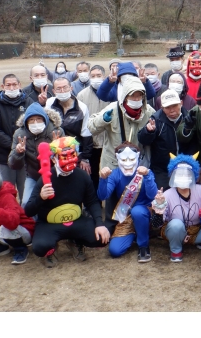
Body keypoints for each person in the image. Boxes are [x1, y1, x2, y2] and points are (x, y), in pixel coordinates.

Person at [24, 137, 110, 267]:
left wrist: (99, 224)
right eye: (64, 156)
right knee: (41, 247)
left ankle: (75, 241)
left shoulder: (82, 176)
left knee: (102, 238)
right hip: (49, 224)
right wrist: (41, 197)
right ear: (54, 159)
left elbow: (92, 202)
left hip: (76, 220)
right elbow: (29, 211)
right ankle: (51, 248)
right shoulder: (45, 180)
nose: (69, 159)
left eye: (72, 155)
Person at [97, 142, 158, 262]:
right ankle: (137, 233)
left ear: (138, 157)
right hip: (125, 217)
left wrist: (147, 176)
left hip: (144, 213)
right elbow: (103, 196)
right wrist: (103, 179)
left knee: (137, 211)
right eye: (124, 159)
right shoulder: (115, 174)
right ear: (117, 158)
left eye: (132, 159)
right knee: (115, 250)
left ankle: (143, 246)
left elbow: (153, 195)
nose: (128, 163)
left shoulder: (145, 172)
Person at [151, 153, 201, 262]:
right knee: (176, 225)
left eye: (186, 175)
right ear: (173, 175)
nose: (183, 178)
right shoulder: (167, 195)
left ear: (193, 175)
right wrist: (158, 210)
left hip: (196, 231)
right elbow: (156, 225)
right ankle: (176, 249)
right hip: (175, 231)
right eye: (179, 174)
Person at [89, 75, 155, 170]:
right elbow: (91, 128)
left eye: (139, 95)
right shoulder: (113, 109)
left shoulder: (149, 112)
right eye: (133, 95)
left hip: (137, 165)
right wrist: (103, 119)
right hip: (113, 165)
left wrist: (151, 131)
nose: (136, 99)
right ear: (125, 96)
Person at [8, 102, 64, 206]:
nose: (35, 123)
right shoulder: (19, 134)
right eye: (31, 120)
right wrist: (18, 152)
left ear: (45, 119)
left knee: (56, 201)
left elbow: (65, 158)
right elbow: (12, 164)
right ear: (26, 122)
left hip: (55, 175)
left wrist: (57, 148)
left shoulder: (56, 131)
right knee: (26, 203)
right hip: (32, 175)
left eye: (39, 119)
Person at [0, 74, 33, 196]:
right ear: (2, 86)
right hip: (3, 156)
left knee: (26, 193)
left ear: (20, 85)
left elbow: (32, 125)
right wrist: (13, 145)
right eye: (8, 85)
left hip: (25, 156)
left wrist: (22, 146)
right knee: (6, 193)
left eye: (14, 84)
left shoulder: (28, 102)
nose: (12, 88)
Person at [138, 90, 192, 189]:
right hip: (162, 169)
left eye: (174, 106)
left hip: (186, 167)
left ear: (181, 103)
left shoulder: (189, 118)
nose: (172, 110)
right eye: (167, 107)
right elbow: (142, 140)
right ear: (162, 108)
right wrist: (149, 131)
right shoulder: (156, 119)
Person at [45, 77, 93, 175]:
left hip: (74, 153)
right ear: (53, 91)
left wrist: (85, 158)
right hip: (54, 153)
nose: (62, 91)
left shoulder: (82, 107)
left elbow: (86, 133)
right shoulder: (49, 104)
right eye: (58, 89)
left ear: (71, 88)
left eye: (65, 87)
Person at [76, 65, 109, 190]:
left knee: (107, 174)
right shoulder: (82, 95)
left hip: (108, 142)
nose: (96, 78)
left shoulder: (112, 93)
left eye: (99, 76)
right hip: (91, 143)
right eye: (93, 76)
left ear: (104, 76)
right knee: (93, 175)